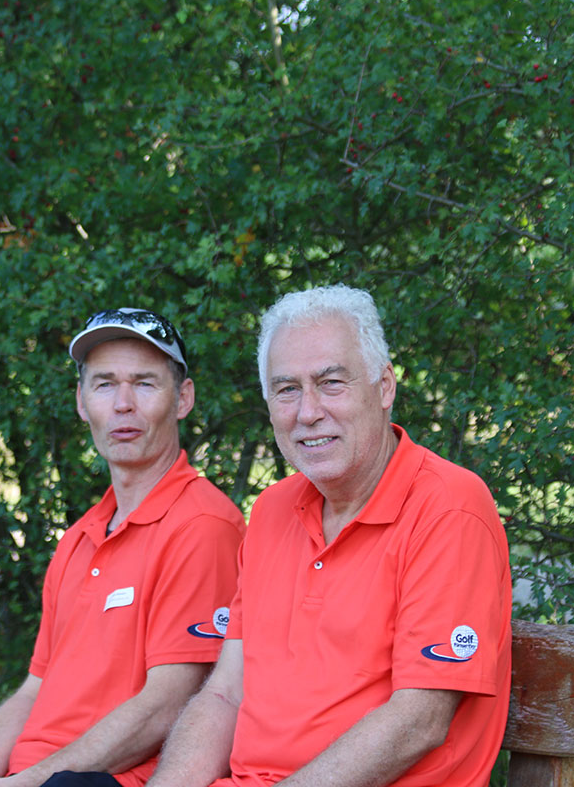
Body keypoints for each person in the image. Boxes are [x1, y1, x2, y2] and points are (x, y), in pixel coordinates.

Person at [147, 285, 512, 787]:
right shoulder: (273, 510)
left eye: (331, 382)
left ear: (384, 387)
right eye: (287, 389)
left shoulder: (448, 507)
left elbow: (419, 720)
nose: (308, 411)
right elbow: (225, 692)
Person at [0, 308, 245, 787]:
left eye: (145, 383)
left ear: (183, 399)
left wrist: (22, 783)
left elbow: (169, 703)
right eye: (104, 384)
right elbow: (35, 688)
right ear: (81, 401)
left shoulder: (202, 525)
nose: (123, 404)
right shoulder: (80, 537)